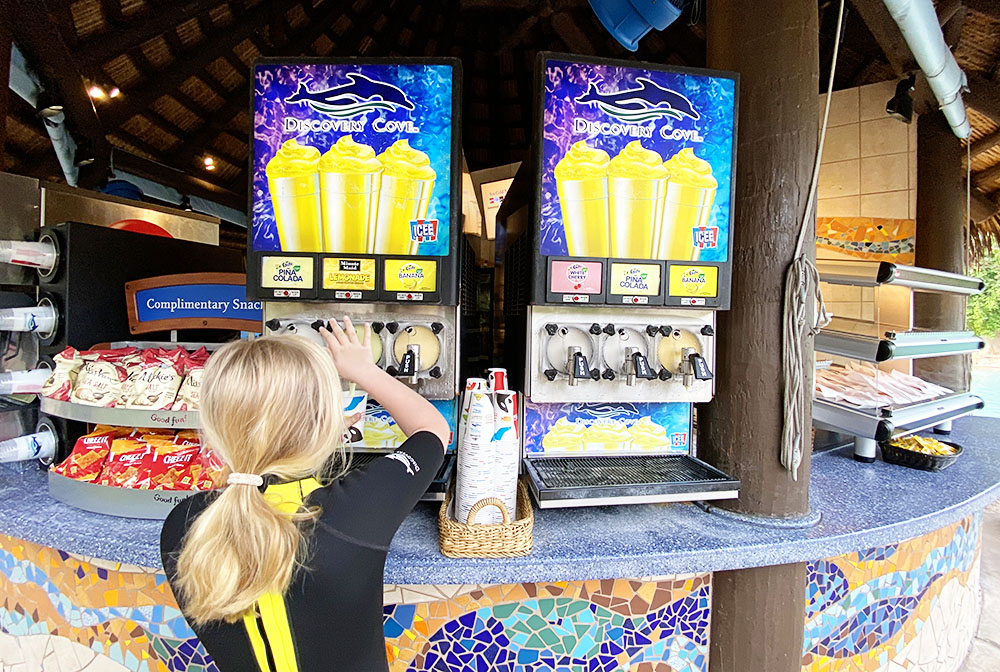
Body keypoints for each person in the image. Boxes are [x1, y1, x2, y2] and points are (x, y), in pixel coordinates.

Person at [160, 317, 450, 672]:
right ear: (325, 422)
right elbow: (433, 430)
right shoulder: (352, 512)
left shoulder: (184, 526)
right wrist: (364, 371)